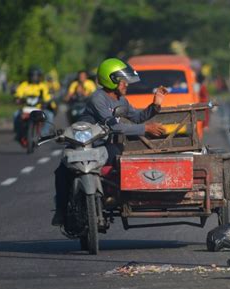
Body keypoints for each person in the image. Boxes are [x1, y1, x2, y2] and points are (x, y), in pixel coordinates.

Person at [51, 58, 166, 226]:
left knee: (119, 157)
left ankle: (112, 194)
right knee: (61, 172)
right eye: (122, 81)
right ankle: (61, 212)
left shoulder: (122, 101)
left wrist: (155, 105)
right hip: (83, 144)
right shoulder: (98, 99)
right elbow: (116, 127)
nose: (126, 84)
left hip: (102, 145)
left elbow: (138, 117)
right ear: (110, 80)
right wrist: (145, 129)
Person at [14, 67, 56, 141]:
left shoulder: (43, 86)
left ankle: (43, 134)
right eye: (32, 76)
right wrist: (18, 99)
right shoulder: (24, 84)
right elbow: (18, 94)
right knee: (15, 115)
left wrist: (46, 102)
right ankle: (19, 134)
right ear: (29, 76)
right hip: (26, 108)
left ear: (39, 77)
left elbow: (47, 97)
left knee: (50, 115)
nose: (34, 78)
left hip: (39, 109)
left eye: (36, 76)